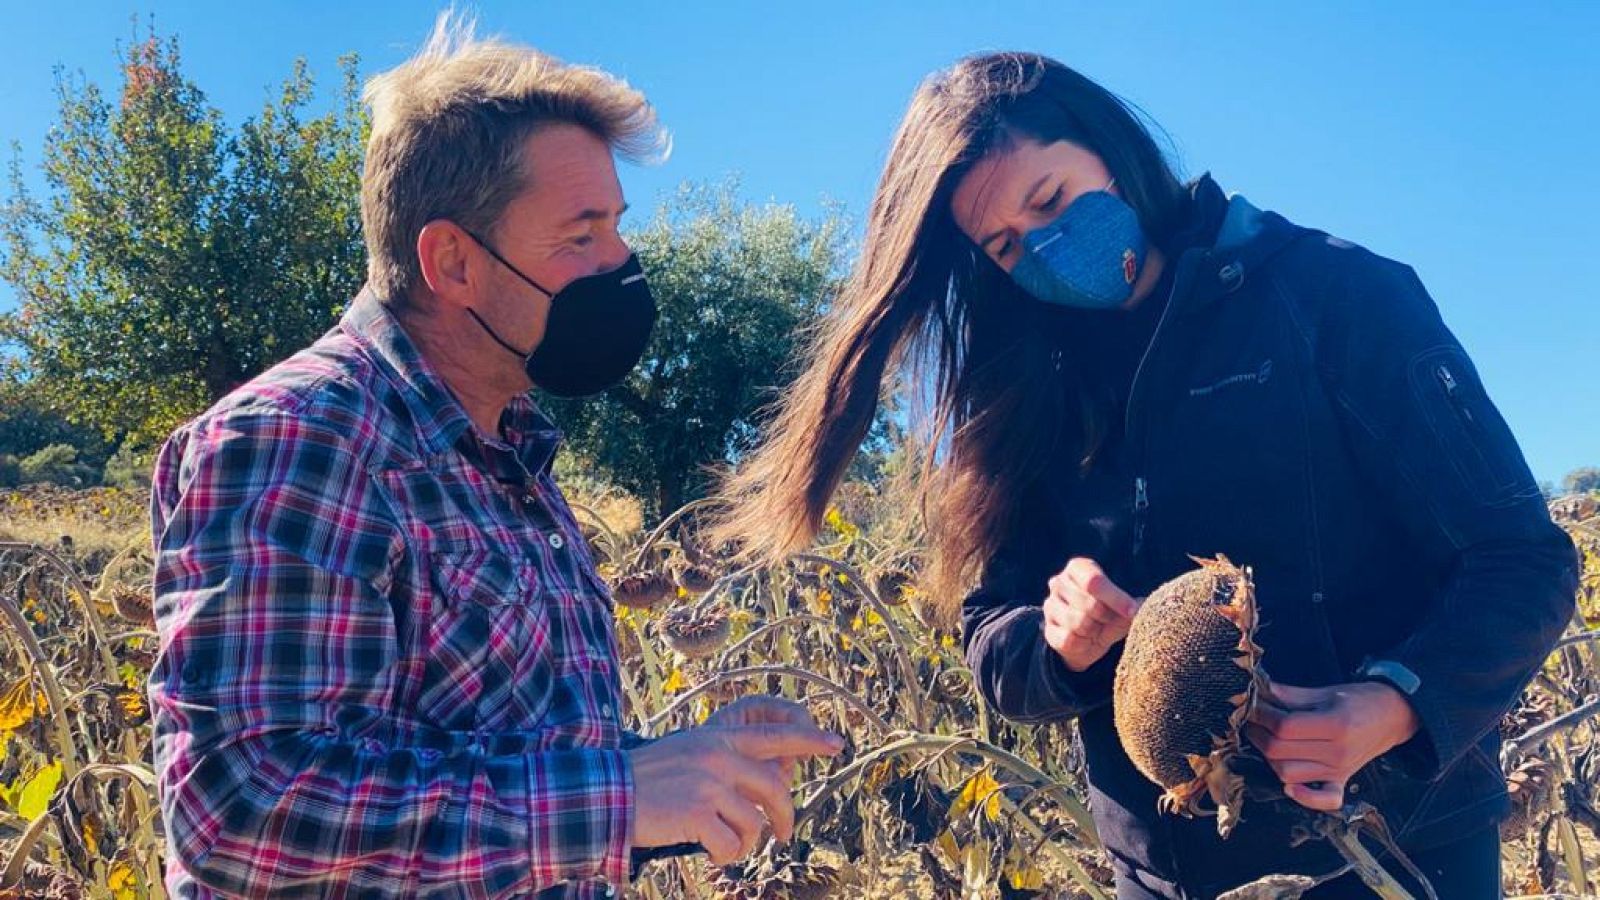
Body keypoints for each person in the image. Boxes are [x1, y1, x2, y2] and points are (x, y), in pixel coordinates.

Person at [712, 52, 1578, 898]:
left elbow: (1520, 561)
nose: (1046, 247)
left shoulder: (1335, 298)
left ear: (1111, 149)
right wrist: (1057, 643)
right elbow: (991, 638)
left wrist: (1390, 706)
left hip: (1398, 842)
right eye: (1008, 246)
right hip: (1163, 871)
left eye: (1051, 199)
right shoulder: (1025, 397)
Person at [148, 16, 841, 898]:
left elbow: (498, 766)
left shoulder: (508, 458)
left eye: (617, 227)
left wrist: (681, 770)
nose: (622, 262)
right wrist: (621, 797)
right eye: (580, 234)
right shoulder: (299, 437)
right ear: (452, 262)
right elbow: (243, 804)